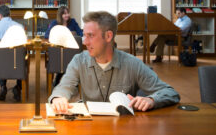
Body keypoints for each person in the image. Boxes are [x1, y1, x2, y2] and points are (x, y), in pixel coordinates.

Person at [49, 11, 180, 114]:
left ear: (108, 36)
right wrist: (58, 98)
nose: (84, 42)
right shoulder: (79, 61)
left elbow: (170, 92)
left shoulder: (132, 64)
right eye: (84, 35)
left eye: (90, 35)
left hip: (123, 127)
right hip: (90, 126)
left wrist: (152, 100)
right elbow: (63, 88)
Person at [44, 6, 83, 87]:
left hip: (71, 52)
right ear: (60, 15)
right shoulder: (54, 23)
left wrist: (74, 34)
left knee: (66, 60)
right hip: (59, 53)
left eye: (67, 13)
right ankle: (66, 79)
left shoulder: (72, 22)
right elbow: (47, 35)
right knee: (63, 59)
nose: (67, 15)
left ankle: (58, 80)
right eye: (64, 14)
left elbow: (80, 33)